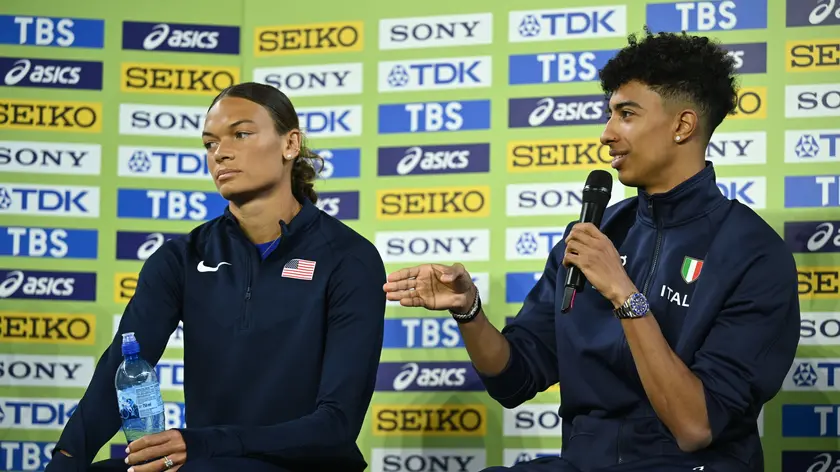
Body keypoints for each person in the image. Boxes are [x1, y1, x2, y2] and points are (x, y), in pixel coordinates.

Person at [383, 28, 800, 472]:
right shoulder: (593, 234)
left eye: (626, 114)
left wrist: (624, 293)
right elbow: (514, 379)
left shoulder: (753, 253)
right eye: (609, 114)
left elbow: (696, 426)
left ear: (682, 126)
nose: (606, 134)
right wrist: (469, 311)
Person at [45, 82, 387, 472]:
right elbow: (122, 368)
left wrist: (203, 444)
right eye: (210, 143)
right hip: (206, 461)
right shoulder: (180, 258)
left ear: (290, 144)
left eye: (241, 134)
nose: (220, 152)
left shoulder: (349, 258)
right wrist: (66, 460)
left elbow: (336, 424)